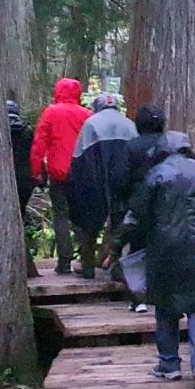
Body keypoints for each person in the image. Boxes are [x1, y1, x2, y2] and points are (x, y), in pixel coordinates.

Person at [120, 132, 195, 389]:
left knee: (166, 303)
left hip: (165, 243)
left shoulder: (156, 173)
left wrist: (116, 245)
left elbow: (136, 214)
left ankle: (169, 365)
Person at [67, 94, 136, 278]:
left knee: (89, 224)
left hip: (94, 182)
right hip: (124, 183)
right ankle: (118, 267)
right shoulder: (129, 124)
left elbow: (79, 158)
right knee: (121, 223)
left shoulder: (91, 124)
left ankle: (87, 265)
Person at [30, 78, 92, 275]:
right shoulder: (87, 115)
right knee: (82, 216)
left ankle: (64, 261)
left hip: (59, 173)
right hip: (82, 173)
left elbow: (39, 143)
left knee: (61, 216)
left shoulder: (51, 112)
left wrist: (37, 170)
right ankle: (87, 260)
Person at [119, 105, 171, 313]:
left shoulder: (132, 147)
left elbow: (121, 177)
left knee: (137, 250)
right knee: (166, 249)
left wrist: (125, 201)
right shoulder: (171, 145)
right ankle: (166, 296)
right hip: (168, 207)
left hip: (140, 207)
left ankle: (138, 298)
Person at [7, 100, 39, 278]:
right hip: (26, 180)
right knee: (20, 216)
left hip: (5, 178)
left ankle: (21, 263)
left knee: (11, 219)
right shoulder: (27, 130)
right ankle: (27, 263)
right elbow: (34, 155)